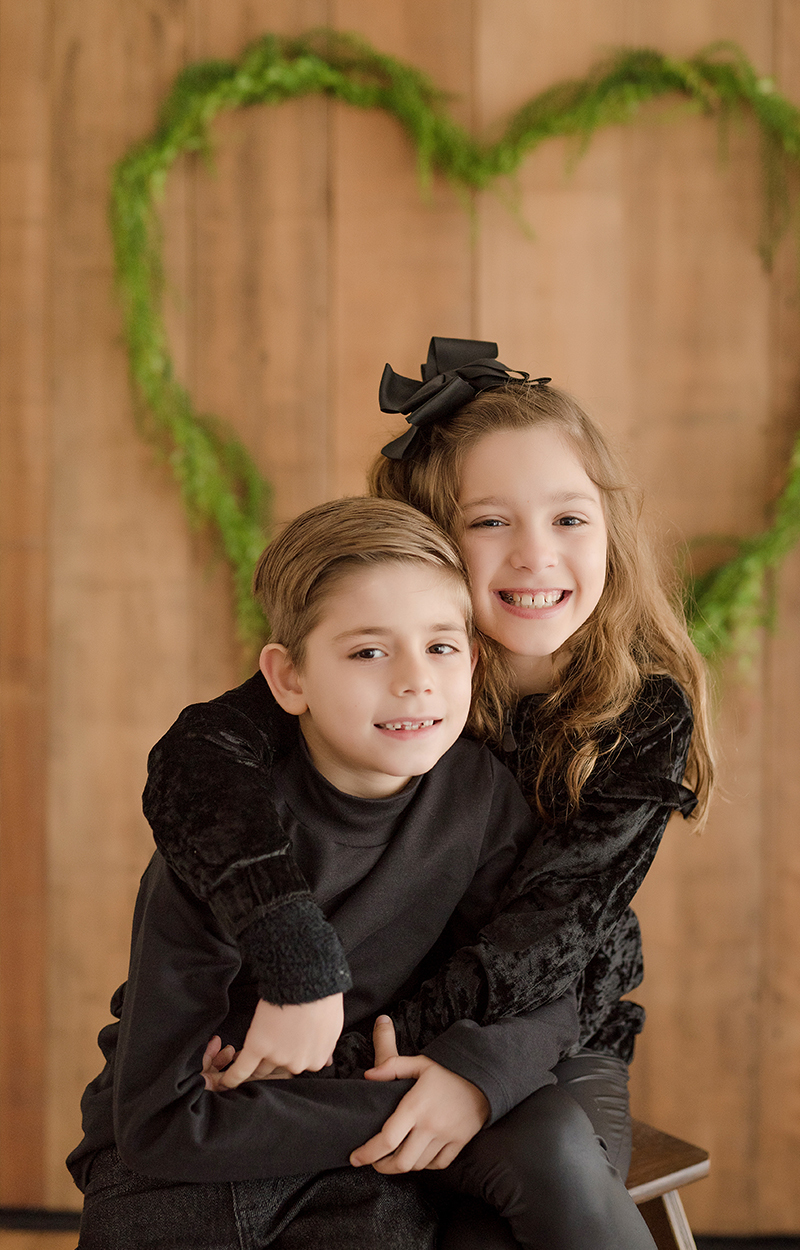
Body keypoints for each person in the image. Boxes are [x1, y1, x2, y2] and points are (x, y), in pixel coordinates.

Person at [115, 340, 714, 1245]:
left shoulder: (639, 711)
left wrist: (438, 1070)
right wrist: (301, 969)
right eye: (488, 523)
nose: (535, 557)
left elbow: (548, 942)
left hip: (532, 1024)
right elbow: (195, 762)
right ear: (432, 534)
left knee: (511, 1193)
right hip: (339, 1017)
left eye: (569, 519)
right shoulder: (376, 670)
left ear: (609, 528)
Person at [68, 497, 594, 1250]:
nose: (415, 680)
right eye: (368, 652)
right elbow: (157, 1122)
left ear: (474, 661)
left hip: (354, 1171)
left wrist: (473, 1085)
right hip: (182, 1169)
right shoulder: (227, 835)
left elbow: (544, 978)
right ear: (289, 679)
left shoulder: (478, 799)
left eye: (441, 647)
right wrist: (404, 1104)